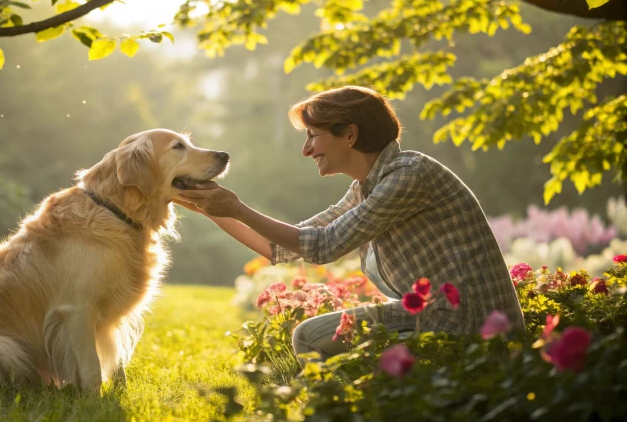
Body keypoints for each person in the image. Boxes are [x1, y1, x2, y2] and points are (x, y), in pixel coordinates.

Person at [174, 86, 524, 359]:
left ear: (351, 135)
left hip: (472, 329)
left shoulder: (409, 175)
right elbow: (279, 247)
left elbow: (324, 246)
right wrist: (207, 205)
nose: (306, 149)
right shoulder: (368, 187)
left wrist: (236, 207)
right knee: (312, 336)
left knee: (311, 338)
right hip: (440, 317)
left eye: (313, 135)